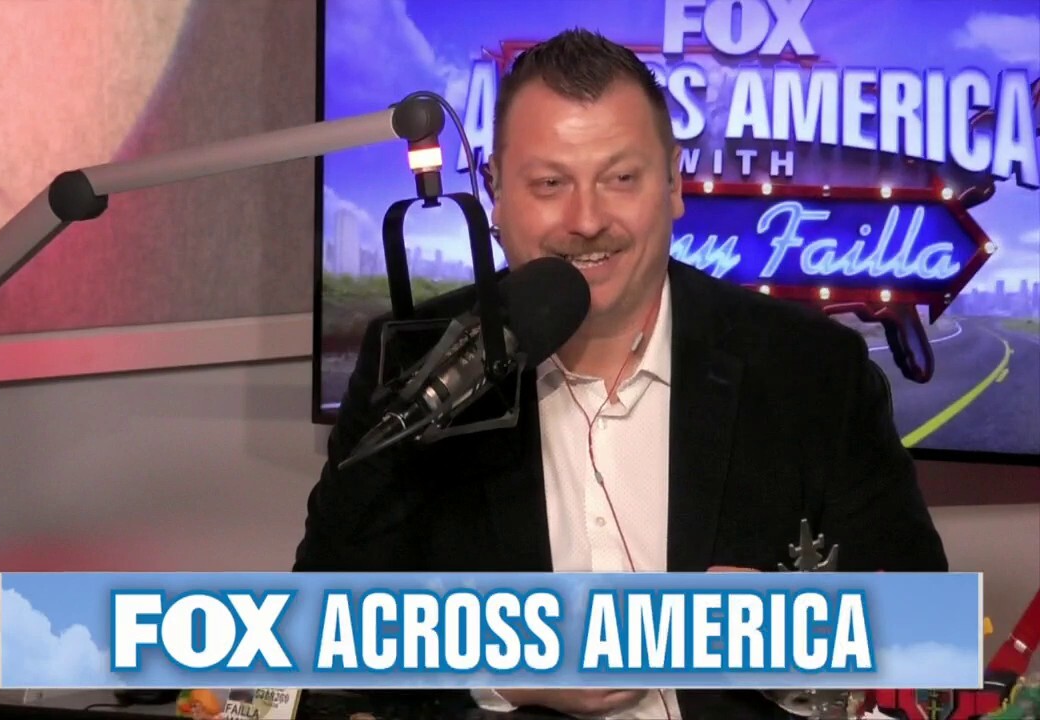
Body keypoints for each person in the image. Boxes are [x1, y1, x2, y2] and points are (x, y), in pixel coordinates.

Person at [294, 28, 948, 720]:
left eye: (621, 179)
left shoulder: (813, 371)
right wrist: (501, 667)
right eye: (550, 183)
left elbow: (929, 642)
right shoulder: (417, 366)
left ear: (673, 184)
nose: (587, 221)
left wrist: (784, 635)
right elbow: (311, 645)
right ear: (495, 195)